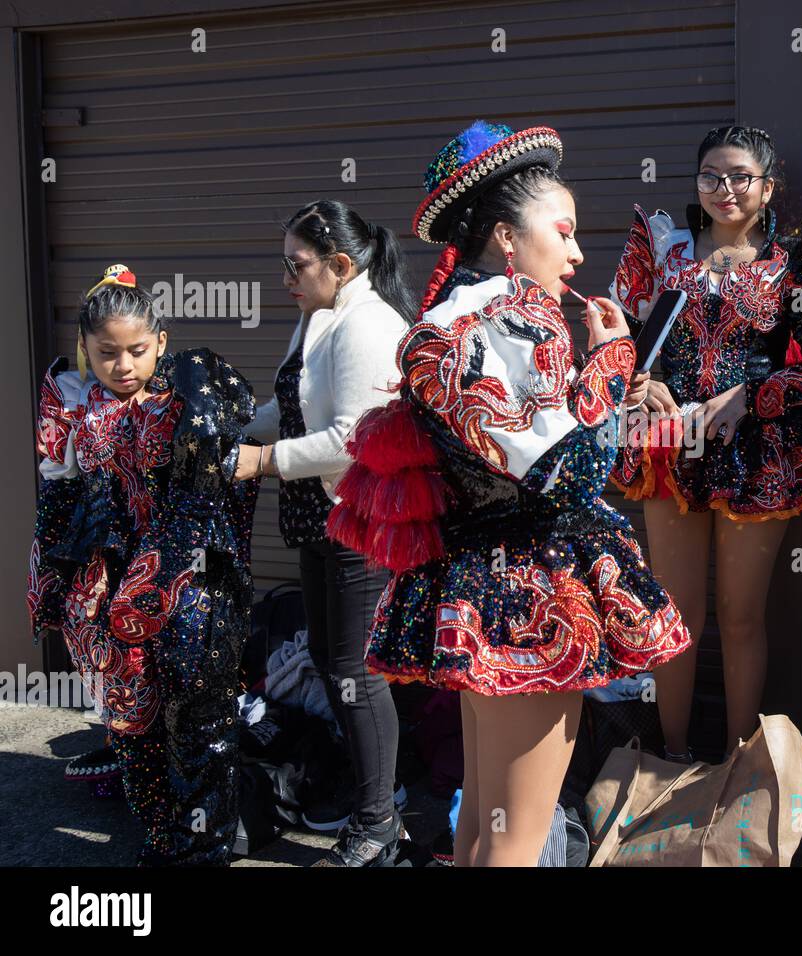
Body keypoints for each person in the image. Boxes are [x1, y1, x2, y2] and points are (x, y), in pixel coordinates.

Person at [328, 120, 692, 866]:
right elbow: (571, 470)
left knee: (483, 828)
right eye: (563, 231)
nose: (578, 252)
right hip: (533, 592)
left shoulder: (440, 321)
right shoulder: (512, 319)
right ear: (505, 236)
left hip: (477, 585)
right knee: (517, 841)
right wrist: (616, 363)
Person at [608, 125, 802, 762]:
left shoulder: (799, 262)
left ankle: (739, 764)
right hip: (672, 449)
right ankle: (671, 757)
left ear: (768, 187)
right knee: (676, 611)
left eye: (740, 177)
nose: (724, 190)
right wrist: (643, 384)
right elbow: (619, 349)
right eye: (711, 176)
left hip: (758, 455)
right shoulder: (665, 254)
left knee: (740, 614)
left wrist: (753, 395)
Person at [30, 264, 259, 865]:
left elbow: (218, 490)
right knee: (131, 721)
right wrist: (52, 574)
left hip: (189, 582)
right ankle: (161, 837)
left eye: (137, 350)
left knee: (198, 714)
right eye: (107, 353)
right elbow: (60, 493)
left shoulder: (194, 398)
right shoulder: (74, 411)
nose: (124, 365)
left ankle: (204, 844)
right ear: (85, 348)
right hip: (109, 589)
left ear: (161, 341)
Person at [237, 199, 416, 866]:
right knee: (333, 666)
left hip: (359, 526)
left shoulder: (366, 326)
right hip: (320, 521)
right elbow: (288, 406)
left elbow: (352, 441)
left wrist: (263, 460)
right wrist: (232, 434)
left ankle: (376, 828)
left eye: (297, 264)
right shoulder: (320, 315)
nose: (286, 277)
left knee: (355, 675)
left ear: (341, 265)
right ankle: (369, 804)